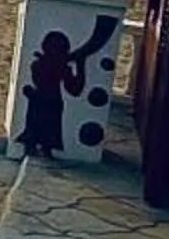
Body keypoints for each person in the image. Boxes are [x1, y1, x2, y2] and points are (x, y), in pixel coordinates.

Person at [18, 12, 117, 158]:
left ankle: (41, 150)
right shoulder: (43, 65)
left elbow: (75, 90)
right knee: (37, 131)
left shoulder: (45, 64)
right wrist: (76, 65)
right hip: (47, 101)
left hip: (47, 101)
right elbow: (73, 89)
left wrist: (79, 65)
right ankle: (37, 149)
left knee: (44, 134)